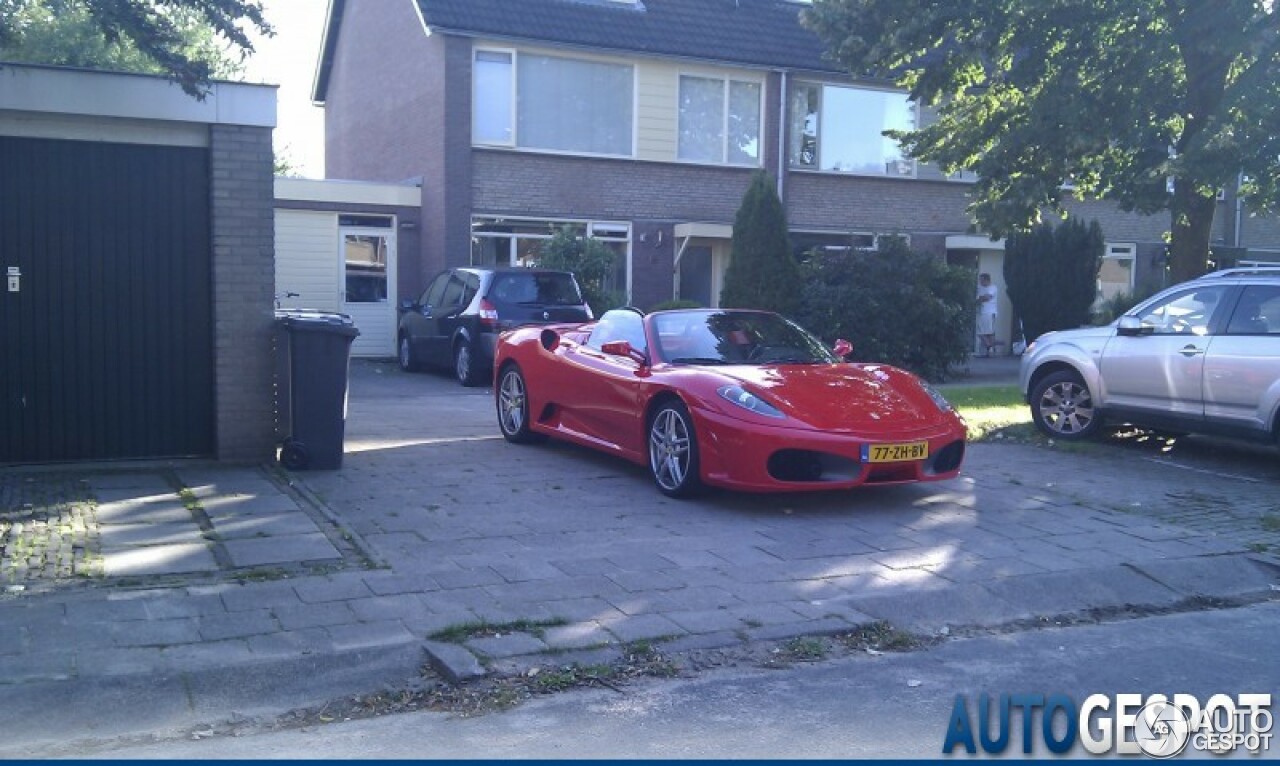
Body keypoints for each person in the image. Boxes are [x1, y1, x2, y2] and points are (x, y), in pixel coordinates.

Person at [976, 273, 998, 356]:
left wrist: (980, 298)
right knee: (982, 332)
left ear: (987, 280)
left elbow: (987, 298)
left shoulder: (992, 288)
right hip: (982, 312)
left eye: (982, 280)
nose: (980, 282)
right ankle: (988, 349)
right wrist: (981, 298)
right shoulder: (980, 288)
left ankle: (990, 347)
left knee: (988, 332)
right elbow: (980, 298)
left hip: (989, 312)